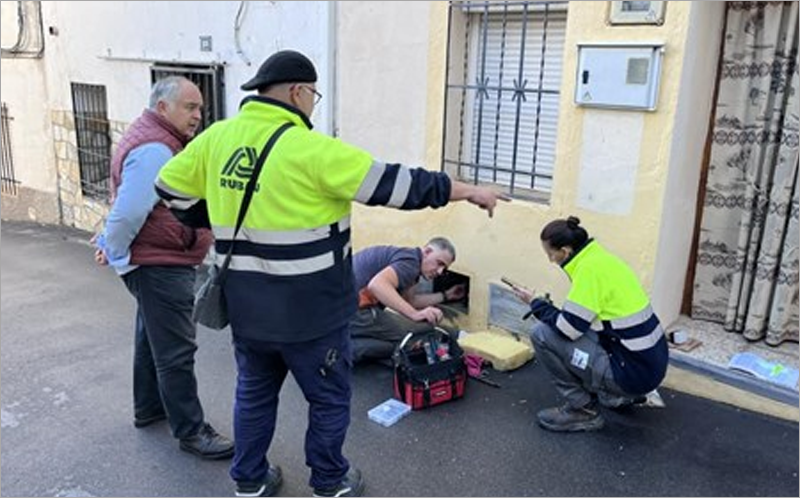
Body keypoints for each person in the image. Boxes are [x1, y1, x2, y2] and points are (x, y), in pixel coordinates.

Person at [154, 50, 508, 497]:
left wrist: (214, 222)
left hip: (247, 310)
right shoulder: (312, 149)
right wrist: (468, 191)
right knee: (328, 399)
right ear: (299, 92)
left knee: (254, 394)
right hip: (312, 316)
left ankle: (249, 481)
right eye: (313, 96)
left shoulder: (215, 139)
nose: (312, 105)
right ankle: (329, 482)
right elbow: (400, 185)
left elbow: (168, 186)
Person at [92, 76, 234, 459]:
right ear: (162, 108)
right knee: (176, 351)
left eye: (200, 108)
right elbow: (128, 211)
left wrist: (116, 250)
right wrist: (116, 253)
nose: (198, 116)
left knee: (149, 337)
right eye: (190, 107)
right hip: (160, 263)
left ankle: (149, 408)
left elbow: (130, 208)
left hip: (155, 260)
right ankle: (191, 431)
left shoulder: (157, 140)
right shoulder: (157, 148)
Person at [512, 216, 668, 433]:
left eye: (551, 254)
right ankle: (615, 396)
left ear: (565, 251)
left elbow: (569, 329)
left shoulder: (588, 272)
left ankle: (583, 409)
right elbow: (581, 320)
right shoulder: (602, 259)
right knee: (580, 331)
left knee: (541, 334)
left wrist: (535, 304)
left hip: (632, 374)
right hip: (647, 365)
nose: (550, 260)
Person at [351, 237, 466, 364]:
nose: (440, 271)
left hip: (338, 307)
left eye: (444, 268)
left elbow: (410, 301)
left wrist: (446, 296)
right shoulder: (410, 263)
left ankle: (342, 345)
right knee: (410, 340)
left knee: (397, 345)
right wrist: (415, 314)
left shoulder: (411, 261)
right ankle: (344, 352)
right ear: (427, 252)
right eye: (439, 263)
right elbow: (377, 285)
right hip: (355, 309)